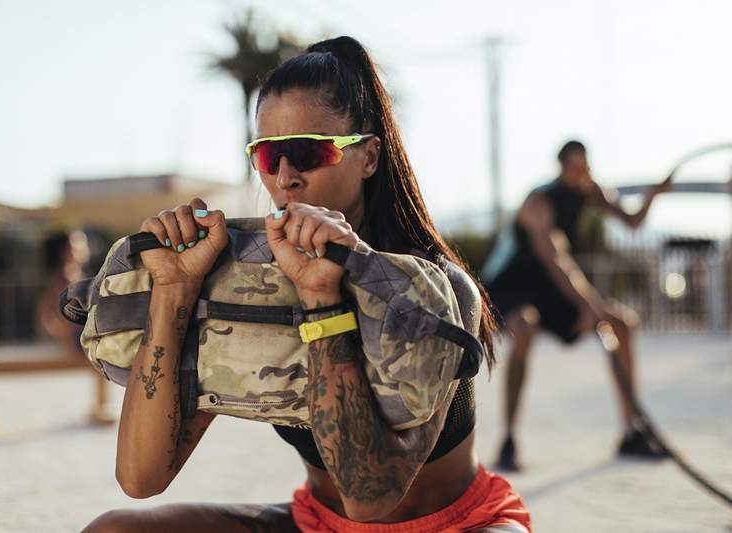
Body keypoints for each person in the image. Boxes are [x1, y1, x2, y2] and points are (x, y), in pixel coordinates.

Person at [83, 37, 531, 532]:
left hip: (456, 524)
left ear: (368, 157)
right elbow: (142, 477)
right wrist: (175, 291)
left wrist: (322, 299)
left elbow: (369, 496)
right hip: (318, 523)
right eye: (268, 156)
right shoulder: (246, 284)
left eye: (307, 152)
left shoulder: (434, 290)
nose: (286, 177)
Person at [482, 140, 672, 471]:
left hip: (553, 288)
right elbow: (555, 259)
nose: (580, 172)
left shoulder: (591, 191)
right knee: (525, 326)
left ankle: (631, 431)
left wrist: (652, 196)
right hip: (512, 285)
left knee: (621, 324)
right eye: (573, 166)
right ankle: (508, 440)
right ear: (561, 167)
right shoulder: (539, 201)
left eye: (584, 165)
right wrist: (589, 304)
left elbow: (632, 222)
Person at [36, 230, 113, 424]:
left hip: (76, 337)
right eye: (79, 244)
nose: (84, 248)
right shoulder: (67, 276)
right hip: (76, 339)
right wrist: (64, 339)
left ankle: (100, 406)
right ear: (67, 252)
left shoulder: (71, 275)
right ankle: (100, 406)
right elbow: (50, 311)